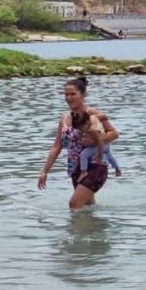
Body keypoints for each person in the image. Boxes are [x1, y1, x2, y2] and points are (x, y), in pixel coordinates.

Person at [38, 77, 120, 209]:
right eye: (66, 94)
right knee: (87, 208)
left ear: (83, 95)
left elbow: (114, 133)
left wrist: (95, 141)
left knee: (74, 204)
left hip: (95, 166)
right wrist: (44, 171)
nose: (69, 98)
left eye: (73, 94)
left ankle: (74, 230)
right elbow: (57, 147)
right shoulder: (65, 118)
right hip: (76, 168)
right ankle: (93, 228)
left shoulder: (91, 113)